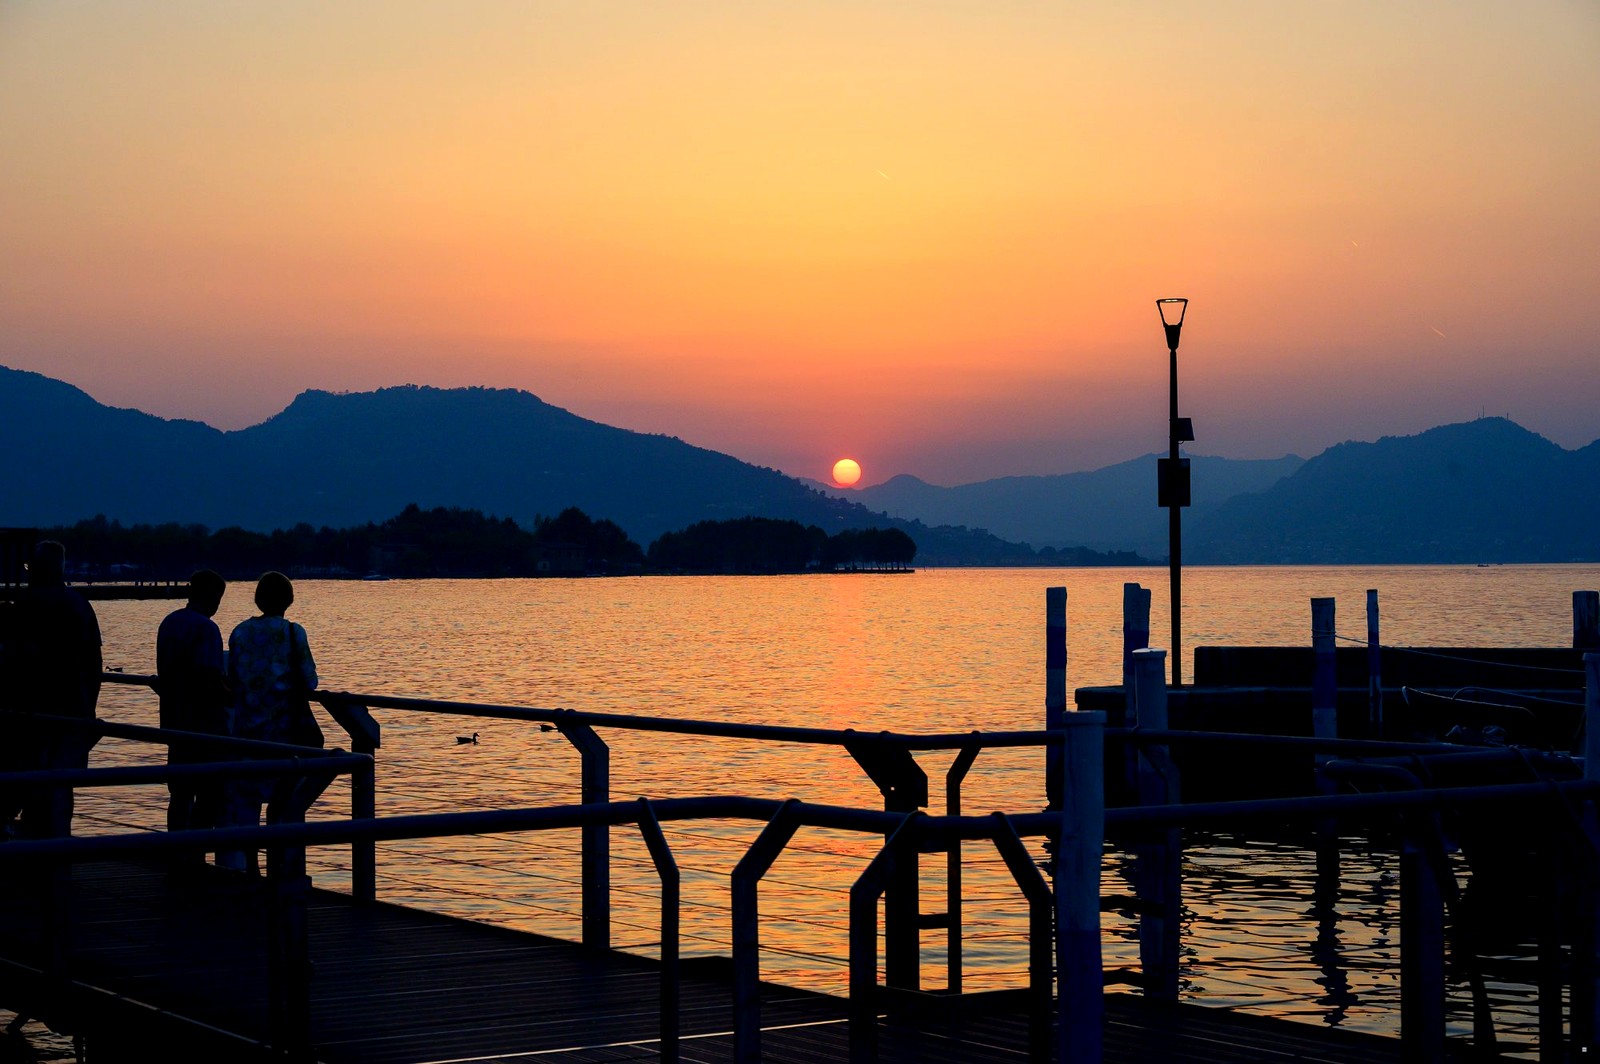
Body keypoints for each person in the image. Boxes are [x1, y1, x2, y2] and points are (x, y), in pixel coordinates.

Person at [222, 572, 319, 871]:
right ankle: (280, 869)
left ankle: (250, 869)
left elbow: (233, 679)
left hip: (246, 732)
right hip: (283, 733)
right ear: (288, 600)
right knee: (284, 800)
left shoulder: (239, 632)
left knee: (246, 805)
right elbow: (310, 681)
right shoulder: (293, 633)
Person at [8, 541, 102, 838]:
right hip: (72, 710)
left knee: (29, 783)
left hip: (29, 711)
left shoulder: (23, 604)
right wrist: (89, 708)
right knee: (61, 786)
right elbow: (94, 664)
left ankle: (35, 848)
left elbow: (11, 659)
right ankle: (58, 851)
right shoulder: (79, 604)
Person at [155, 570, 229, 842]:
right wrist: (231, 693)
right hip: (204, 724)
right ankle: (195, 852)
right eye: (218, 598)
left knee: (180, 792)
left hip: (174, 719)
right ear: (210, 596)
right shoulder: (207, 628)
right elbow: (209, 678)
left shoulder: (169, 622)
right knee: (210, 793)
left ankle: (176, 850)